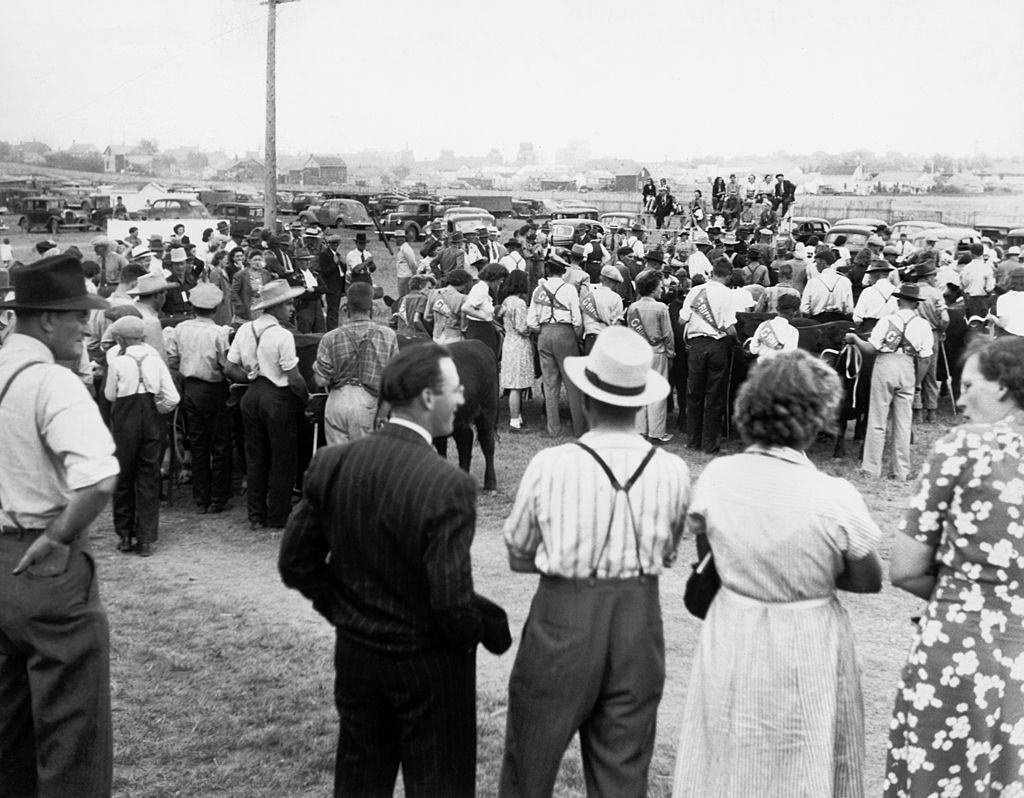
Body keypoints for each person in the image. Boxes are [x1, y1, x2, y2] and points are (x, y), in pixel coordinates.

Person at [280, 342, 511, 798]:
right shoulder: (448, 484)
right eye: (455, 390)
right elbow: (450, 600)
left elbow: (295, 563)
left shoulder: (333, 462)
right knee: (439, 782)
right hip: (429, 667)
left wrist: (346, 612)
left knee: (360, 778)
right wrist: (470, 635)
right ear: (428, 398)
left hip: (357, 656)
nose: (462, 400)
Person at [672, 350, 882, 798]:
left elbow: (710, 549)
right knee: (804, 743)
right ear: (817, 415)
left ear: (750, 405)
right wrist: (808, 574)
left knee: (729, 737)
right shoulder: (833, 496)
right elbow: (869, 578)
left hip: (734, 622)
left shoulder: (717, 476)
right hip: (808, 631)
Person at [501, 326, 691, 798]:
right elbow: (666, 554)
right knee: (623, 766)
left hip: (563, 615)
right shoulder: (673, 470)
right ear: (639, 402)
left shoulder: (553, 464)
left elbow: (519, 553)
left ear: (585, 400)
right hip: (639, 619)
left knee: (531, 754)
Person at [0, 254, 118, 797]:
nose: (85, 327)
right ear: (47, 319)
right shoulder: (53, 381)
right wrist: (57, 538)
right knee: (74, 734)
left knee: (10, 734)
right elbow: (97, 480)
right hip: (45, 566)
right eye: (77, 316)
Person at [885, 335, 1024, 797]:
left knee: (940, 780)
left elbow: (904, 567)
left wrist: (966, 594)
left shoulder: (964, 446)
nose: (959, 400)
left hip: (959, 650)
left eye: (967, 386)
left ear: (1003, 386)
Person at [225, 279, 308, 530]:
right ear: (276, 308)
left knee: (256, 455)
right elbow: (293, 378)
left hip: (252, 396)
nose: (292, 309)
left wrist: (248, 377)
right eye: (289, 304)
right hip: (276, 397)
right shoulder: (283, 335)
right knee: (283, 456)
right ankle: (278, 515)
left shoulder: (244, 330)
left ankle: (256, 515)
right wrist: (306, 399)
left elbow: (229, 367)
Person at [104, 316, 179, 556]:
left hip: (125, 421)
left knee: (123, 476)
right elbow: (173, 398)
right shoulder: (155, 361)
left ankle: (125, 535)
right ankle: (145, 538)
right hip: (150, 419)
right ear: (142, 337)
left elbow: (110, 396)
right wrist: (158, 409)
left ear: (120, 339)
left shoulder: (118, 362)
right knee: (148, 476)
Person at [845, 283, 934, 480]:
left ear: (899, 300)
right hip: (908, 367)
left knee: (877, 418)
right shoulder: (923, 325)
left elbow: (870, 349)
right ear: (916, 304)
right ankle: (901, 471)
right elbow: (926, 358)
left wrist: (855, 339)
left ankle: (871, 468)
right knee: (903, 422)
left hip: (885, 365)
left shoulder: (887, 321)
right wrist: (917, 382)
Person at [165, 283, 233, 515]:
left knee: (197, 441)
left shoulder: (180, 329)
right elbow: (225, 364)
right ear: (215, 308)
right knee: (220, 442)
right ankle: (219, 495)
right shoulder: (218, 333)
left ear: (193, 306)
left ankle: (201, 496)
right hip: (213, 388)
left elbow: (173, 360)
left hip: (189, 388)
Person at [313, 282, 399, 446]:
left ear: (346, 308)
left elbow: (321, 381)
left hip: (337, 401)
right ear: (371, 307)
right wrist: (383, 413)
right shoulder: (388, 336)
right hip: (368, 402)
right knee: (363, 462)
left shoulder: (330, 337)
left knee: (338, 460)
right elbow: (393, 382)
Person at [678, 257, 738, 454]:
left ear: (711, 272)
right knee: (714, 395)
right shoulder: (728, 294)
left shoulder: (695, 291)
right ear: (728, 276)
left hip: (696, 345)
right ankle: (709, 443)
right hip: (717, 345)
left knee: (693, 393)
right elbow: (730, 328)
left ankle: (692, 440)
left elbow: (681, 320)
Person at [527, 255, 585, 438]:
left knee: (549, 384)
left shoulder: (539, 289)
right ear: (563, 271)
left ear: (547, 270)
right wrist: (574, 337)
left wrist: (543, 331)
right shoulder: (569, 289)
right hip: (565, 333)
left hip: (544, 334)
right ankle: (579, 428)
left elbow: (531, 322)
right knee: (572, 383)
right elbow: (577, 319)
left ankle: (553, 428)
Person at [627, 271, 675, 443]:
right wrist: (670, 353)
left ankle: (640, 429)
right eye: (660, 287)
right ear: (654, 288)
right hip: (657, 352)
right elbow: (668, 334)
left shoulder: (633, 307)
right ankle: (656, 432)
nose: (662, 290)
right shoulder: (661, 308)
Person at [498, 270, 533, 432]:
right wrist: (531, 328)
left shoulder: (506, 301)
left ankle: (517, 417)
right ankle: (514, 421)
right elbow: (521, 327)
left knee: (513, 382)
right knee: (516, 385)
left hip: (508, 341)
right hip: (519, 343)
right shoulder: (519, 303)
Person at [581, 264, 625, 353]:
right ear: (615, 283)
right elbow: (617, 324)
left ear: (601, 279)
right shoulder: (616, 298)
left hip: (590, 338)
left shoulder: (589, 296)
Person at [800, 249, 854, 321]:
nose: (816, 266)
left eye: (816, 263)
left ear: (823, 262)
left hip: (817, 321)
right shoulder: (845, 281)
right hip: (839, 321)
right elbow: (849, 309)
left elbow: (804, 308)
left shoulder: (813, 282)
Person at [746, 293, 801, 358]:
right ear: (795, 312)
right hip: (779, 367)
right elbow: (789, 356)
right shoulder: (793, 331)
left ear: (777, 309)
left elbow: (753, 350)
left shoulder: (763, 325)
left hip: (761, 366)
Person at [424, 268, 471, 344]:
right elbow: (464, 326)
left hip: (437, 336)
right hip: (455, 336)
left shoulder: (434, 293)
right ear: (464, 283)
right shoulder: (463, 298)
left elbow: (427, 317)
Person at [318, 233, 346, 330]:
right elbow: (325, 271)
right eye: (333, 243)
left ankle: (334, 327)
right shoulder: (324, 254)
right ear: (329, 244)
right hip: (331, 285)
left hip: (339, 284)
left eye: (337, 243)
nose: (335, 245)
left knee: (335, 309)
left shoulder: (337, 254)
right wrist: (335, 263)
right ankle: (331, 329)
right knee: (332, 310)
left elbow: (342, 270)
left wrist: (342, 263)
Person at [993, 264, 1024, 336]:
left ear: (1009, 280)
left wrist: (992, 318)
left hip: (1011, 338)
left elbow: (1002, 324)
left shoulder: (1003, 298)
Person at [394, 228, 418, 298]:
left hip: (405, 277)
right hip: (402, 276)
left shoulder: (406, 249)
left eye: (396, 238)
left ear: (401, 239)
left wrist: (414, 277)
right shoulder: (402, 248)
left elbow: (412, 264)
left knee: (404, 297)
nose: (395, 240)